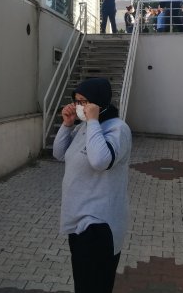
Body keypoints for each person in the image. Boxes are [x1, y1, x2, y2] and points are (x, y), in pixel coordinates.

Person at [53, 77, 132, 293]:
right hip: (78, 220)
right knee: (83, 282)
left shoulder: (118, 129)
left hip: (99, 224)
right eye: (76, 101)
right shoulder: (84, 128)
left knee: (95, 285)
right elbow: (59, 153)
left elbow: (100, 161)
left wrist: (94, 122)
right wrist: (68, 124)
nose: (80, 107)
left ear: (99, 103)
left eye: (84, 102)